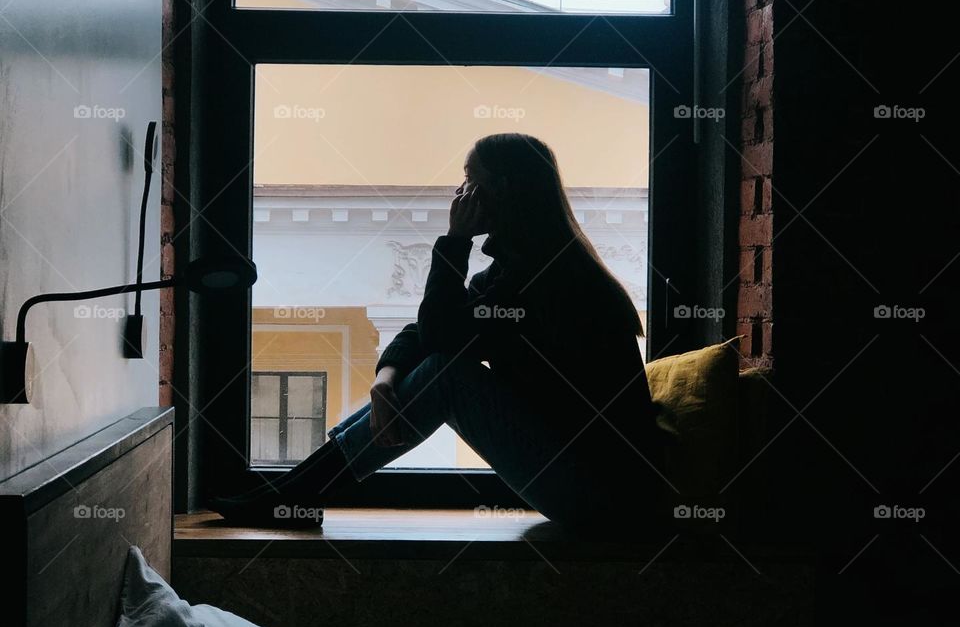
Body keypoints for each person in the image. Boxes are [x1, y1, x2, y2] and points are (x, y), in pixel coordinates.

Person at [213, 133, 669, 534]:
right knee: (440, 370)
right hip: (577, 480)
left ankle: (294, 497)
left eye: (471, 180)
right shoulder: (513, 271)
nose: (461, 193)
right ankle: (290, 495)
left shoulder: (553, 280)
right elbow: (423, 330)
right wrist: (385, 380)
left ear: (503, 189)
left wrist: (454, 242)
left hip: (602, 497)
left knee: (448, 376)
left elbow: (443, 337)